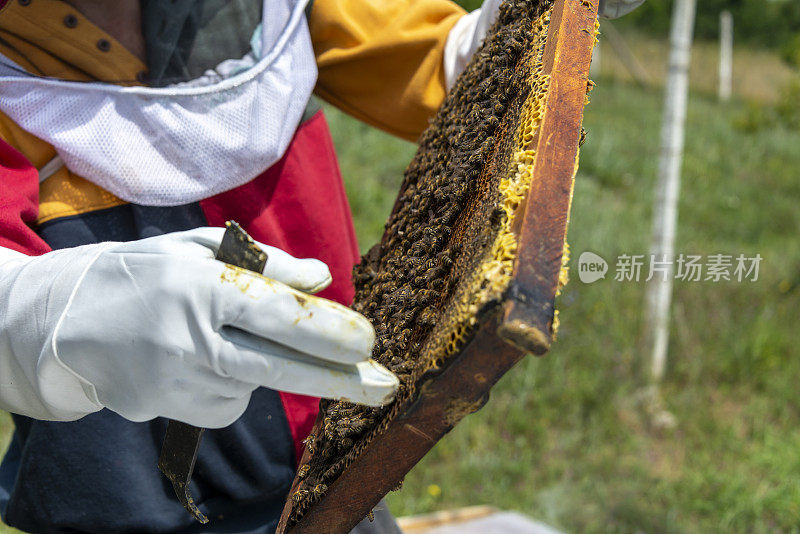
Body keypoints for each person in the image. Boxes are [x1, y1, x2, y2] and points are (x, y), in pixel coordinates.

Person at [0, 0, 643, 532]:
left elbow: (454, 72)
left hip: (332, 475)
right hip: (125, 509)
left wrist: (534, 14)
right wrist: (63, 314)